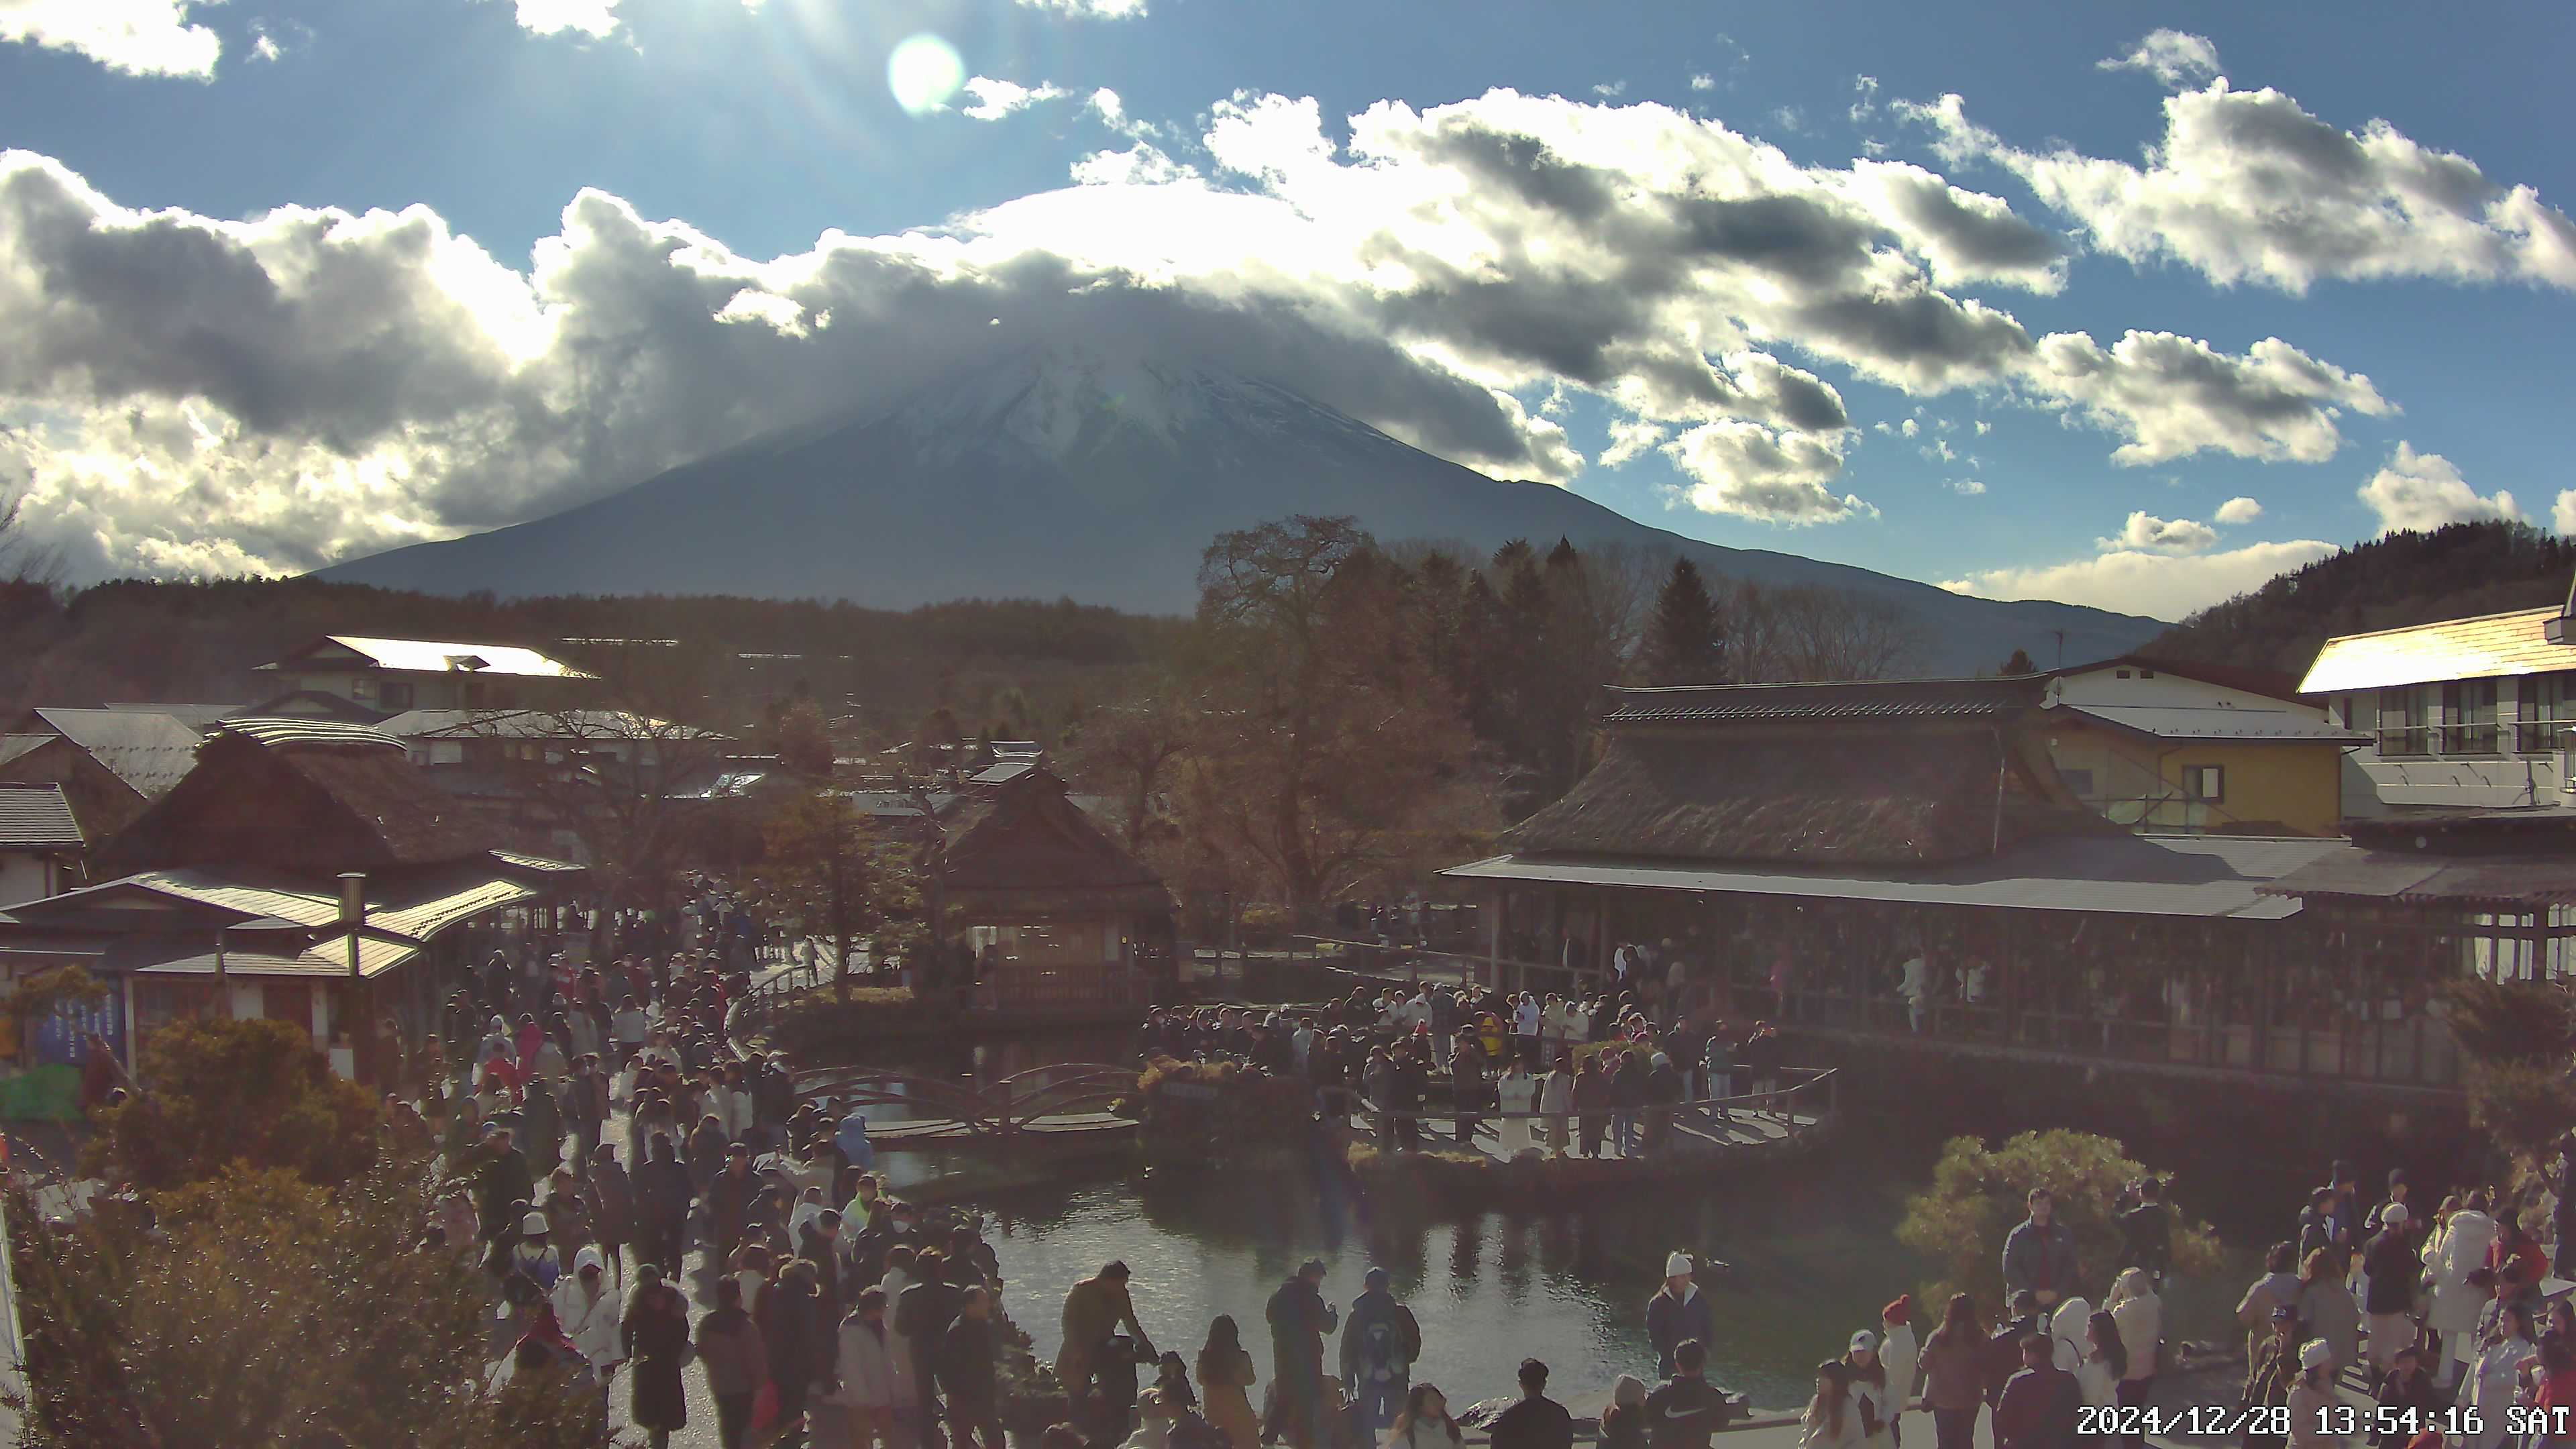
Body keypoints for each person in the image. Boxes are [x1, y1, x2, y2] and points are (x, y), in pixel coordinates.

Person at [1341, 1267, 1422, 1440]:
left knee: (1366, 1423)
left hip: (1367, 1377)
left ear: (1365, 1286)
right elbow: (1415, 1343)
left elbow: (1347, 1351)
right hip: (1397, 1377)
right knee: (1399, 1423)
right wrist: (1404, 1359)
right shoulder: (1400, 1312)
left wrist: (1348, 1380)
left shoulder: (1356, 1316)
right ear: (1388, 1286)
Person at [2429, 1191, 2500, 1389]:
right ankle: (2472, 1385)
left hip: (2453, 1286)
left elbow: (2443, 1255)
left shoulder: (2456, 1226)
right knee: (2475, 1337)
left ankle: (2445, 1378)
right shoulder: (2491, 1230)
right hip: (2478, 1288)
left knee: (2450, 1334)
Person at [1265, 1259, 1338, 1449]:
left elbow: (1269, 1318)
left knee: (1283, 1401)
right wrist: (1333, 1312)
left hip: (1282, 1357)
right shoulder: (1311, 1298)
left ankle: (1267, 1441)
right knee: (1306, 1406)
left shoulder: (1278, 1296)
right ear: (1313, 1276)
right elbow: (1328, 1327)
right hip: (1307, 1360)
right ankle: (1305, 1445)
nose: (1319, 1283)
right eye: (1319, 1278)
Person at [828, 1285, 910, 1449]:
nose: (885, 1310)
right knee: (862, 1440)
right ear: (873, 1308)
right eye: (883, 1307)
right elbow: (851, 1367)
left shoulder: (879, 1326)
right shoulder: (850, 1331)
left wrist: (893, 1388)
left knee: (890, 1436)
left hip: (882, 1394)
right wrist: (861, 1398)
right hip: (860, 1398)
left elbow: (887, 1360)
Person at [1063, 1262, 1155, 1407]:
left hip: (1106, 1345)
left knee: (1116, 1386)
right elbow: (1068, 1323)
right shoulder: (1081, 1290)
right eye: (1120, 1283)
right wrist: (1075, 1350)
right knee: (1077, 1391)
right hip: (1079, 1345)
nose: (1123, 1287)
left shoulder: (1121, 1294)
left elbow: (1131, 1323)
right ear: (1108, 1280)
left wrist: (1145, 1345)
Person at [622, 1263, 694, 1449]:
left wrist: (627, 1353)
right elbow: (683, 1329)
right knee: (664, 1410)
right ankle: (660, 1439)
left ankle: (657, 1439)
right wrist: (676, 1350)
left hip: (647, 1361)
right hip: (665, 1361)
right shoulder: (671, 1299)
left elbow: (626, 1329)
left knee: (651, 1410)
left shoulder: (638, 1300)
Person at [696, 1276, 771, 1449]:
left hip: (719, 1385)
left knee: (728, 1426)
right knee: (745, 1430)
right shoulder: (745, 1327)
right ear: (738, 1297)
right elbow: (756, 1361)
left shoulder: (707, 1324)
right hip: (744, 1388)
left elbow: (702, 1352)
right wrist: (760, 1388)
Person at [2459, 1302, 2536, 1449]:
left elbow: (2516, 1378)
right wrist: (2461, 1399)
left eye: (2508, 1320)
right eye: (2501, 1319)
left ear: (2518, 1323)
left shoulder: (2523, 1347)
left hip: (2499, 1413)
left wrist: (2489, 1380)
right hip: (2478, 1408)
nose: (2503, 1324)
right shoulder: (2490, 1344)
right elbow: (2474, 1372)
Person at [1918, 1294, 1986, 1449]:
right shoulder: (1979, 1337)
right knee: (1966, 1440)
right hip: (1970, 1398)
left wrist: (1923, 1352)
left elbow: (1925, 1364)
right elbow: (1986, 1364)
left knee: (1946, 1442)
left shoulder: (1939, 1337)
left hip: (1944, 1400)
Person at [2362, 1203, 2421, 1384]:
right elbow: (2412, 1268)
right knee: (2391, 1340)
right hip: (2395, 1300)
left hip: (2376, 1299)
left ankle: (2373, 1372)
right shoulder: (2402, 1246)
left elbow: (2368, 1269)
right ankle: (2385, 1377)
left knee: (2376, 1337)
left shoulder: (2372, 1243)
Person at [940, 1286, 1005, 1449]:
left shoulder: (985, 1326)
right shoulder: (957, 1331)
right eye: (984, 1302)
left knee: (996, 1439)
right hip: (963, 1397)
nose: (988, 1305)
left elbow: (990, 1359)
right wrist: (953, 1394)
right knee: (962, 1440)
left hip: (984, 1394)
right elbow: (946, 1369)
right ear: (970, 1305)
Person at [553, 1246, 626, 1383]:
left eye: (593, 1275)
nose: (590, 1281)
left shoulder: (610, 1298)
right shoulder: (565, 1294)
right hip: (574, 1361)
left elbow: (614, 1328)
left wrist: (617, 1356)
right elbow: (557, 1324)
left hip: (601, 1361)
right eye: (585, 1276)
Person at [1644, 1340, 1733, 1449]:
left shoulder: (1659, 1395)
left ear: (1677, 1363)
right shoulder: (1714, 1398)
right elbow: (1720, 1424)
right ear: (1702, 1363)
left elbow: (1647, 1420)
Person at [1992, 1336, 2078, 1449]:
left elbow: (2003, 1417)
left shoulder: (2018, 1381)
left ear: (2031, 1354)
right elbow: (2076, 1410)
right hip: (2059, 1442)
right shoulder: (2068, 1380)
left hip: (2023, 1443)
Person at [2002, 1189, 2080, 1312]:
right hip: (2025, 1301)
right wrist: (2034, 1293)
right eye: (2039, 1203)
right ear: (2030, 1206)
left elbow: (2070, 1266)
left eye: (2047, 1203)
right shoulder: (2018, 1235)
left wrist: (2057, 1292)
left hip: (2057, 1301)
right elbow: (2011, 1269)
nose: (2044, 1207)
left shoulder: (2063, 1234)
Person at [2104, 1269, 2159, 1439]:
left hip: (2126, 1372)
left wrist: (2113, 1296)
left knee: (2127, 1415)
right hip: (2147, 1369)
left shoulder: (2123, 1311)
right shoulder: (2155, 1303)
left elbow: (2104, 1323)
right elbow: (2146, 1291)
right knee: (2137, 1409)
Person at [631, 1132, 694, 1278]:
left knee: (655, 1249)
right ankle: (675, 1277)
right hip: (676, 1214)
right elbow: (690, 1190)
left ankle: (660, 1275)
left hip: (654, 1216)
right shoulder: (680, 1168)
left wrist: (644, 1208)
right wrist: (683, 1205)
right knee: (675, 1248)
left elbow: (638, 1193)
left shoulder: (647, 1169)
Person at [1648, 1253, 1715, 1379]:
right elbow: (1655, 1336)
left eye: (1688, 1276)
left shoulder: (1698, 1298)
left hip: (1695, 1365)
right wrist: (1670, 1356)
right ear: (1672, 1278)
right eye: (1683, 1276)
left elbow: (1708, 1326)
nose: (1687, 1280)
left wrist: (1705, 1351)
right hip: (1670, 1366)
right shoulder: (1658, 1303)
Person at [2296, 1248, 2361, 1379]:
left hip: (2318, 1354)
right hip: (2341, 1352)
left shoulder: (2312, 1292)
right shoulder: (2343, 1290)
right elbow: (2356, 1318)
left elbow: (2304, 1320)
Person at [2241, 1306, 2301, 1449]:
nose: (2277, 1328)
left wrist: (2284, 1351)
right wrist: (2245, 1402)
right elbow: (2255, 1376)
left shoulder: (2298, 1351)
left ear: (2293, 1324)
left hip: (2280, 1416)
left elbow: (2288, 1384)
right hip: (2258, 1411)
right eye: (2275, 1323)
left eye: (2283, 1324)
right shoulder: (2268, 1344)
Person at [1197, 1316, 1260, 1449]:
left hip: (1213, 1413)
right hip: (1239, 1413)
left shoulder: (1205, 1357)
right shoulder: (1241, 1356)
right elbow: (1251, 1380)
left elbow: (1200, 1380)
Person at [2237, 1244, 2302, 1368]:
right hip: (2293, 1354)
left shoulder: (2260, 1288)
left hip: (2263, 1354)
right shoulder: (2302, 1287)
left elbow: (2244, 1316)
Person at [1487, 1358, 1574, 1449]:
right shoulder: (1560, 1413)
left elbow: (1496, 1444)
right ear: (1544, 1384)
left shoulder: (1511, 1416)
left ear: (1521, 1384)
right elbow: (1567, 1443)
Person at [2373, 1346, 2437, 1449]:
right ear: (2397, 1364)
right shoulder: (2391, 1380)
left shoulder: (2422, 1379)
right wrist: (2376, 1431)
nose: (2407, 1365)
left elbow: (2429, 1401)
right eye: (2404, 1362)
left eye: (2410, 1361)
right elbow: (2382, 1408)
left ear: (2416, 1363)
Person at [1880, 1297, 1920, 1445]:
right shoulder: (1897, 1338)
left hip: (1891, 1400)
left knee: (1890, 1436)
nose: (1884, 1324)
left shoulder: (1900, 1343)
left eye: (1886, 1320)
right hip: (1893, 1399)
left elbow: (1894, 1376)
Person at [2118, 1180, 2171, 1289]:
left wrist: (2127, 1196)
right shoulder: (2163, 1215)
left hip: (2134, 1263)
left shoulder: (2133, 1216)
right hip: (2156, 1264)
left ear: (2141, 1192)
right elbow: (2166, 1242)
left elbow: (2115, 1218)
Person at [2285, 1341, 2338, 1449]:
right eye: (2327, 1362)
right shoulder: (2299, 1392)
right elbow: (2299, 1430)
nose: (2331, 1365)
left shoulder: (2325, 1384)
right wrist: (2324, 1432)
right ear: (2317, 1367)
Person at [1845, 1330, 1892, 1448]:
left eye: (1864, 1352)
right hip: (1851, 1437)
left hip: (1879, 1437)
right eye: (1857, 1352)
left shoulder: (1884, 1375)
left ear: (1873, 1352)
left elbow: (1890, 1404)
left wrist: (1882, 1422)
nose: (1860, 1356)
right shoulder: (1844, 1377)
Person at [1803, 1360, 1864, 1449]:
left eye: (1824, 1377)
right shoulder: (1816, 1402)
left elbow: (1857, 1442)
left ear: (1836, 1380)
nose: (1818, 1380)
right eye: (1818, 1376)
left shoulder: (1848, 1406)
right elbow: (1806, 1435)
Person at [1382, 1383, 1464, 1449]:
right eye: (1432, 1401)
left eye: (1439, 1399)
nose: (1438, 1404)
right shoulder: (1407, 1433)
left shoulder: (1451, 1428)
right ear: (1419, 1407)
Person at [2075, 1311, 2123, 1420]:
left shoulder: (2101, 1362)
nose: (2086, 1329)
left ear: (2099, 1332)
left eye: (2089, 1327)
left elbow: (2091, 1395)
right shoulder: (2104, 1355)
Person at [1495, 1061, 1538, 1158]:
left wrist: (1522, 1095)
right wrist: (1511, 1095)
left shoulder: (1528, 1078)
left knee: (1521, 1128)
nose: (1519, 1067)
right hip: (1509, 1107)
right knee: (1509, 1128)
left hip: (1522, 1107)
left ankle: (1520, 1150)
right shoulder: (1505, 1078)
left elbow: (1531, 1090)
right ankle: (1510, 1150)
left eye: (1520, 1064)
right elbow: (1501, 1089)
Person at [1601, 1376, 1649, 1449]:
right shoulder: (1631, 1435)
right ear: (1632, 1404)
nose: (1645, 1400)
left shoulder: (1610, 1421)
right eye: (1642, 1397)